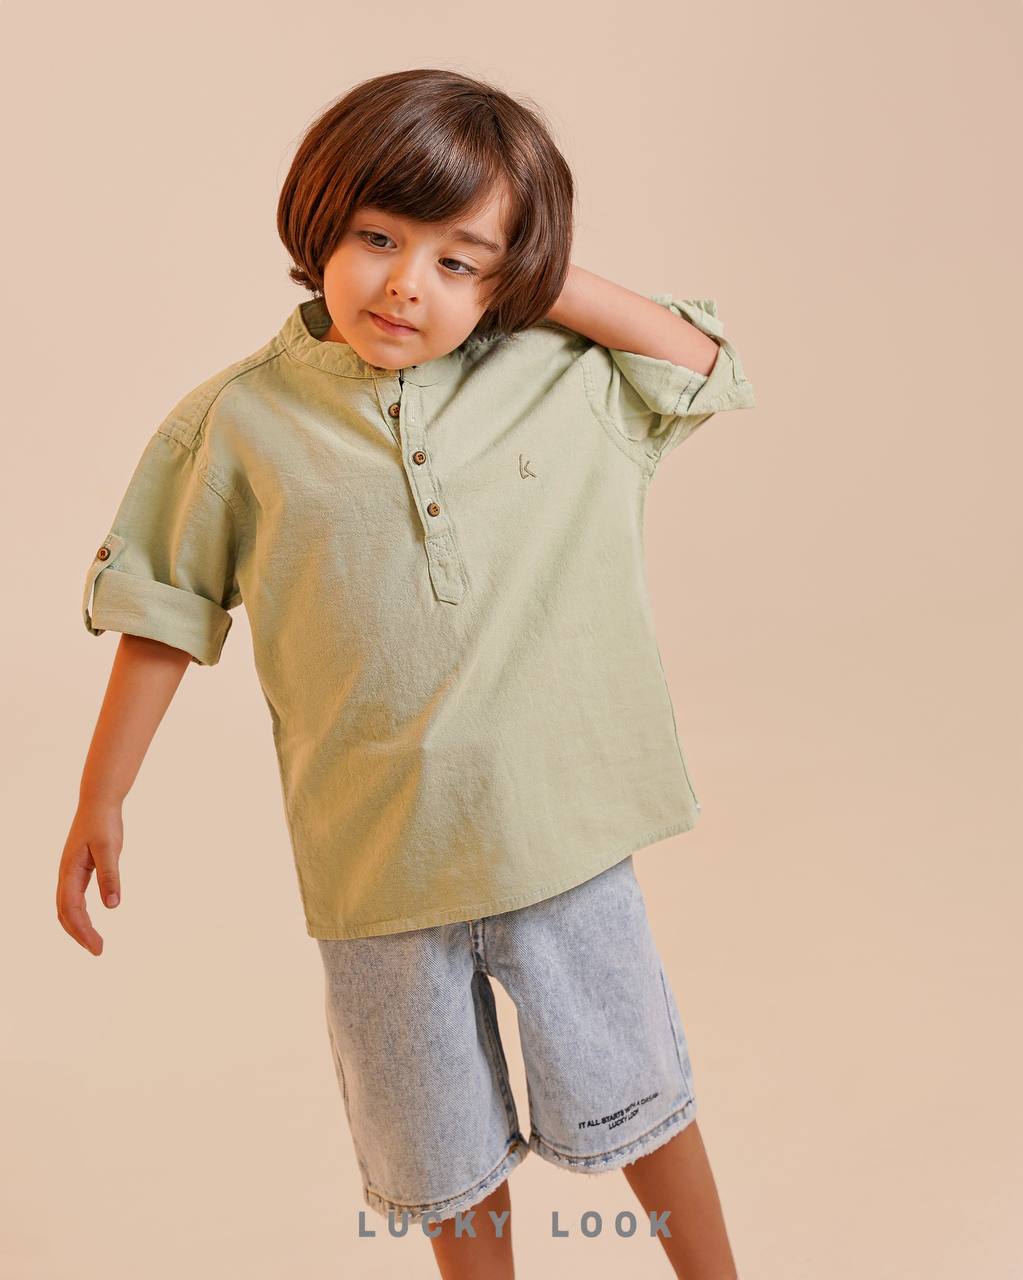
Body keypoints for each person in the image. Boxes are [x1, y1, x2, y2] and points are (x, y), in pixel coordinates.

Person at [57, 68, 755, 1279]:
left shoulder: (560, 376)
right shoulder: (239, 423)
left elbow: (702, 365)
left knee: (640, 1092)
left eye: (457, 260)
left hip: (560, 834)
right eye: (378, 237)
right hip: (375, 864)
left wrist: (534, 279)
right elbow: (163, 608)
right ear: (321, 222)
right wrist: (100, 792)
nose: (404, 284)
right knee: (441, 1153)